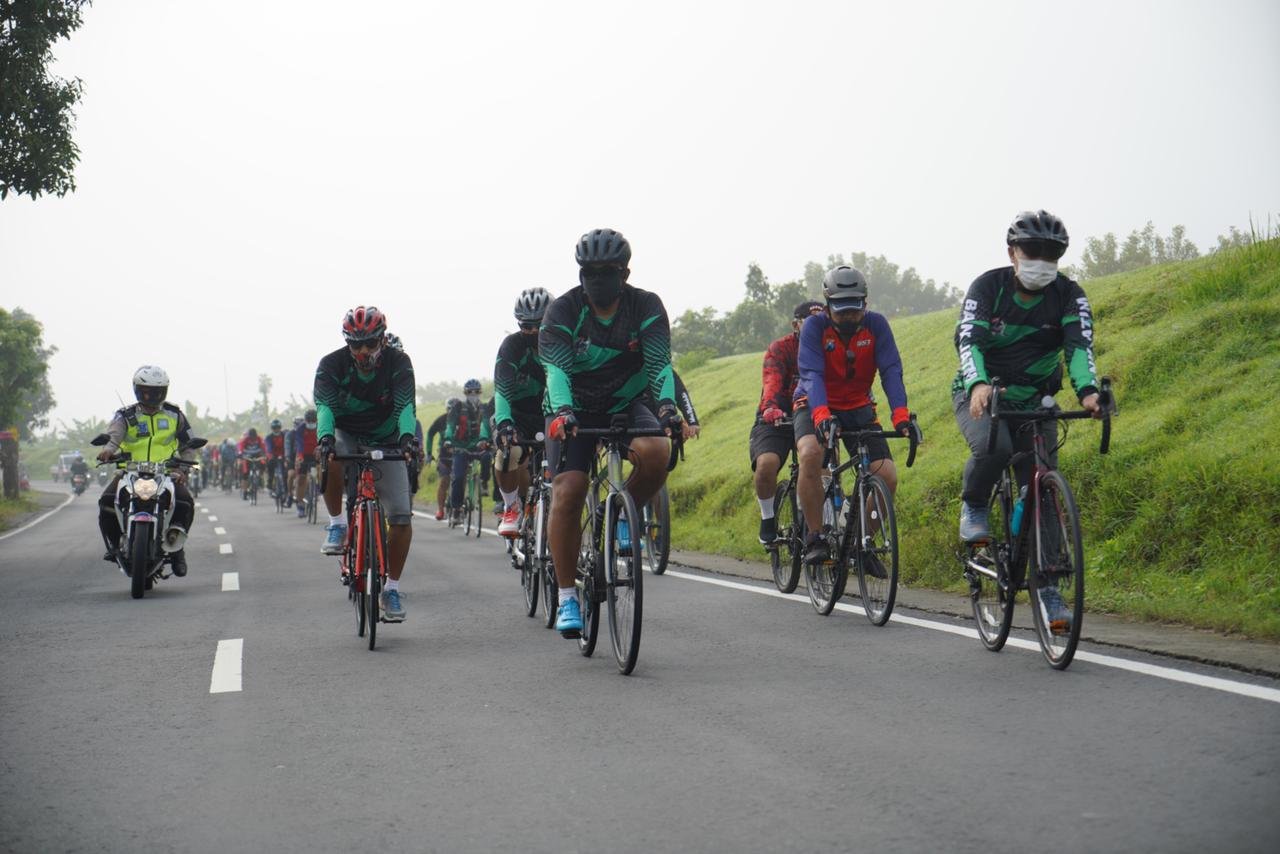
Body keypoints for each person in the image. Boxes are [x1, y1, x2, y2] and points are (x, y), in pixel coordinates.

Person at [952, 211, 1102, 631]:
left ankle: (1049, 590)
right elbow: (969, 340)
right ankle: (975, 504)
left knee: (1043, 486)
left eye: (1051, 254)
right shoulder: (989, 287)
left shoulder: (1069, 295)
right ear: (1012, 253)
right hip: (983, 394)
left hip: (1037, 400)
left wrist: (1088, 391)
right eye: (1031, 252)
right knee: (995, 447)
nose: (1041, 261)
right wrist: (978, 383)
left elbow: (1078, 346)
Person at [541, 227, 682, 636]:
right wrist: (564, 412)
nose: (597, 280)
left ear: (625, 273)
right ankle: (568, 594)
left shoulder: (646, 305)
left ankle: (619, 510)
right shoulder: (563, 312)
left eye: (607, 271)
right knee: (568, 491)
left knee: (656, 452)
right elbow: (555, 370)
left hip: (627, 398)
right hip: (574, 405)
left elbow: (658, 363)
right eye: (589, 272)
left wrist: (669, 408)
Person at [795, 266, 914, 565]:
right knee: (810, 453)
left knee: (886, 475)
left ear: (866, 301)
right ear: (827, 303)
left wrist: (900, 415)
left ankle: (862, 542)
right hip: (813, 402)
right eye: (840, 309)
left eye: (855, 307)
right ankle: (815, 536)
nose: (849, 315)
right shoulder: (814, 327)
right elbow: (811, 373)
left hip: (858, 406)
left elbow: (891, 370)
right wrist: (822, 415)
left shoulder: (877, 325)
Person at [314, 306, 418, 622]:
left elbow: (405, 405)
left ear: (382, 339)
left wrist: (407, 439)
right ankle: (337, 525)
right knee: (330, 457)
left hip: (386, 437)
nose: (362, 351)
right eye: (355, 344)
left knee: (400, 517)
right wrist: (325, 439)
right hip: (347, 432)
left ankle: (392, 589)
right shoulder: (331, 365)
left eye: (370, 343)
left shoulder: (399, 362)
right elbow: (325, 408)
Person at [95, 365, 196, 577]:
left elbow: (188, 445)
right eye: (146, 390)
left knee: (185, 502)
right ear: (137, 390)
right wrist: (107, 451)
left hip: (166, 473)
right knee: (106, 502)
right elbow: (114, 436)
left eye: (157, 391)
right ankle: (114, 545)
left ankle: (177, 549)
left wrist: (182, 468)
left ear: (164, 391)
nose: (151, 395)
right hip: (129, 472)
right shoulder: (125, 415)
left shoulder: (174, 414)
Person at [751, 300, 824, 543]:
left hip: (812, 413)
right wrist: (770, 407)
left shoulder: (828, 345)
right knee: (767, 465)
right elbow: (771, 380)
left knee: (825, 467)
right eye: (810, 322)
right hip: (778, 415)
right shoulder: (780, 348)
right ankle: (768, 516)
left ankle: (822, 524)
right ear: (796, 325)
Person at [492, 287, 552, 537]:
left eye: (540, 324)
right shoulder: (512, 346)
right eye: (527, 326)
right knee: (508, 453)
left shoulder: (564, 341)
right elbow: (502, 389)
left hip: (553, 415)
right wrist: (505, 423)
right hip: (519, 417)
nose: (534, 331)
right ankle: (511, 507)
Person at [444, 379, 491, 524]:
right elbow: (450, 424)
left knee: (487, 456)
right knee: (458, 477)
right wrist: (448, 438)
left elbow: (485, 424)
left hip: (478, 445)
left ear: (480, 393)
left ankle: (483, 483)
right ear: (465, 393)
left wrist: (484, 439)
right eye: (470, 392)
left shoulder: (484, 408)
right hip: (460, 447)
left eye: (476, 392)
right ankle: (457, 509)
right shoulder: (459, 406)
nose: (473, 395)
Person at [425, 399, 455, 520]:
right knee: (444, 481)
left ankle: (458, 506)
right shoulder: (441, 420)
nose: (452, 412)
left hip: (459, 454)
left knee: (461, 479)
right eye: (450, 410)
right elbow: (430, 433)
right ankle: (441, 510)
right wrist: (428, 453)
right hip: (444, 456)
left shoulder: (463, 419)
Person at [292, 411, 318, 518]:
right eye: (309, 421)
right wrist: (300, 457)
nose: (311, 423)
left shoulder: (321, 426)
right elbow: (299, 443)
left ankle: (317, 487)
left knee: (321, 470)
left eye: (313, 421)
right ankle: (300, 505)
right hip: (303, 454)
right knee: (301, 479)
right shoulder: (300, 429)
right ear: (305, 420)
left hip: (317, 453)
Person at [237, 428, 268, 498]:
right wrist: (240, 454)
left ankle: (259, 478)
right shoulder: (245, 440)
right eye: (251, 437)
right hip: (247, 456)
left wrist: (265, 454)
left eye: (254, 436)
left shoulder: (259, 439)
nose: (253, 438)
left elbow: (263, 447)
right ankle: (245, 491)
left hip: (257, 456)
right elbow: (241, 448)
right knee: (245, 474)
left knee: (263, 464)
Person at [264, 418, 289, 499]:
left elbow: (287, 446)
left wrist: (286, 456)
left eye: (278, 427)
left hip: (283, 455)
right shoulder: (269, 437)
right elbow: (268, 448)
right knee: (270, 468)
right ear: (272, 428)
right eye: (274, 428)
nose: (276, 429)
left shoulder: (284, 435)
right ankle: (270, 485)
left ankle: (286, 491)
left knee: (285, 474)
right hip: (273, 456)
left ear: (280, 427)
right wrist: (271, 456)